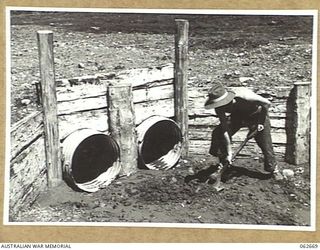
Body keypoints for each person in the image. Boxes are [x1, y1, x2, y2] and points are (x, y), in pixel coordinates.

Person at [204, 83, 283, 181]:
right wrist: (229, 152)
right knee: (218, 133)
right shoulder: (219, 108)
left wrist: (261, 122)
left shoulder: (245, 96)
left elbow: (267, 103)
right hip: (237, 117)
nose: (221, 106)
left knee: (265, 143)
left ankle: (273, 169)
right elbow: (225, 129)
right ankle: (225, 163)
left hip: (257, 116)